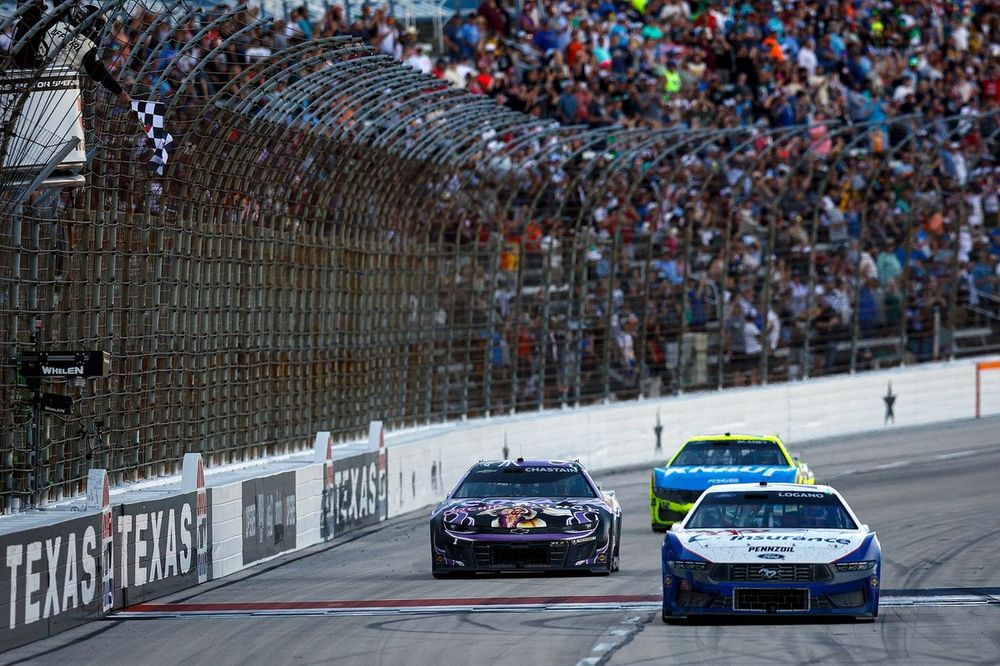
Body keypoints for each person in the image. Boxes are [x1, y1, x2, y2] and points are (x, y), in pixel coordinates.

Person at [12, 1, 128, 105]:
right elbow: (99, 72)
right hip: (56, 93)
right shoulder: (87, 45)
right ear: (95, 25)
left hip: (26, 77)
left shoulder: (56, 24)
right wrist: (120, 92)